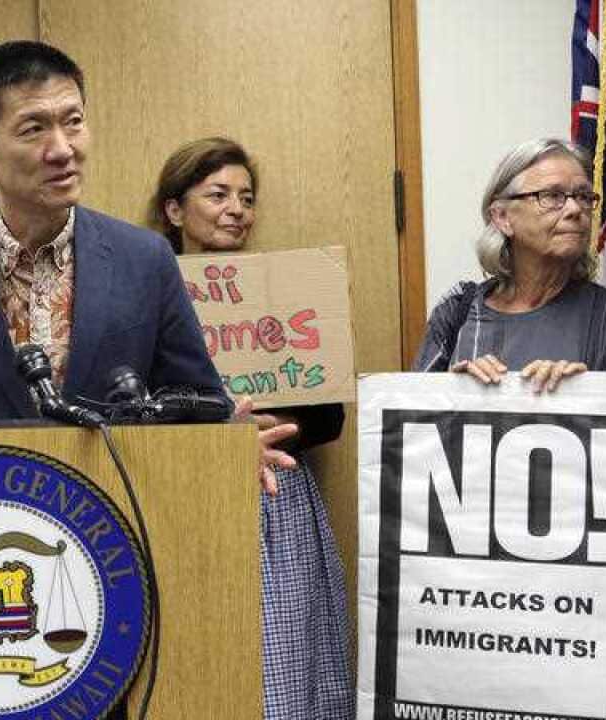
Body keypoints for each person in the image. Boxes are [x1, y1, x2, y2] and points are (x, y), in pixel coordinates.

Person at [0, 42, 295, 472]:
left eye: (73, 122)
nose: (62, 149)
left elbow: (195, 403)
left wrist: (228, 440)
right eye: (33, 129)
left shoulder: (144, 260)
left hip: (112, 518)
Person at [148, 136, 354, 719]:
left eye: (246, 196)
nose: (236, 208)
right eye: (217, 194)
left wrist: (271, 423)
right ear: (174, 210)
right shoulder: (145, 296)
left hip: (278, 492)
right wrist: (211, 430)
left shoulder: (285, 292)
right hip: (184, 491)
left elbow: (329, 412)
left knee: (289, 653)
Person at [413, 138, 606, 387]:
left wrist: (584, 398)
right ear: (502, 217)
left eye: (584, 196)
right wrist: (455, 394)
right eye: (552, 196)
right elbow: (408, 418)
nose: (575, 209)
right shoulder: (457, 313)